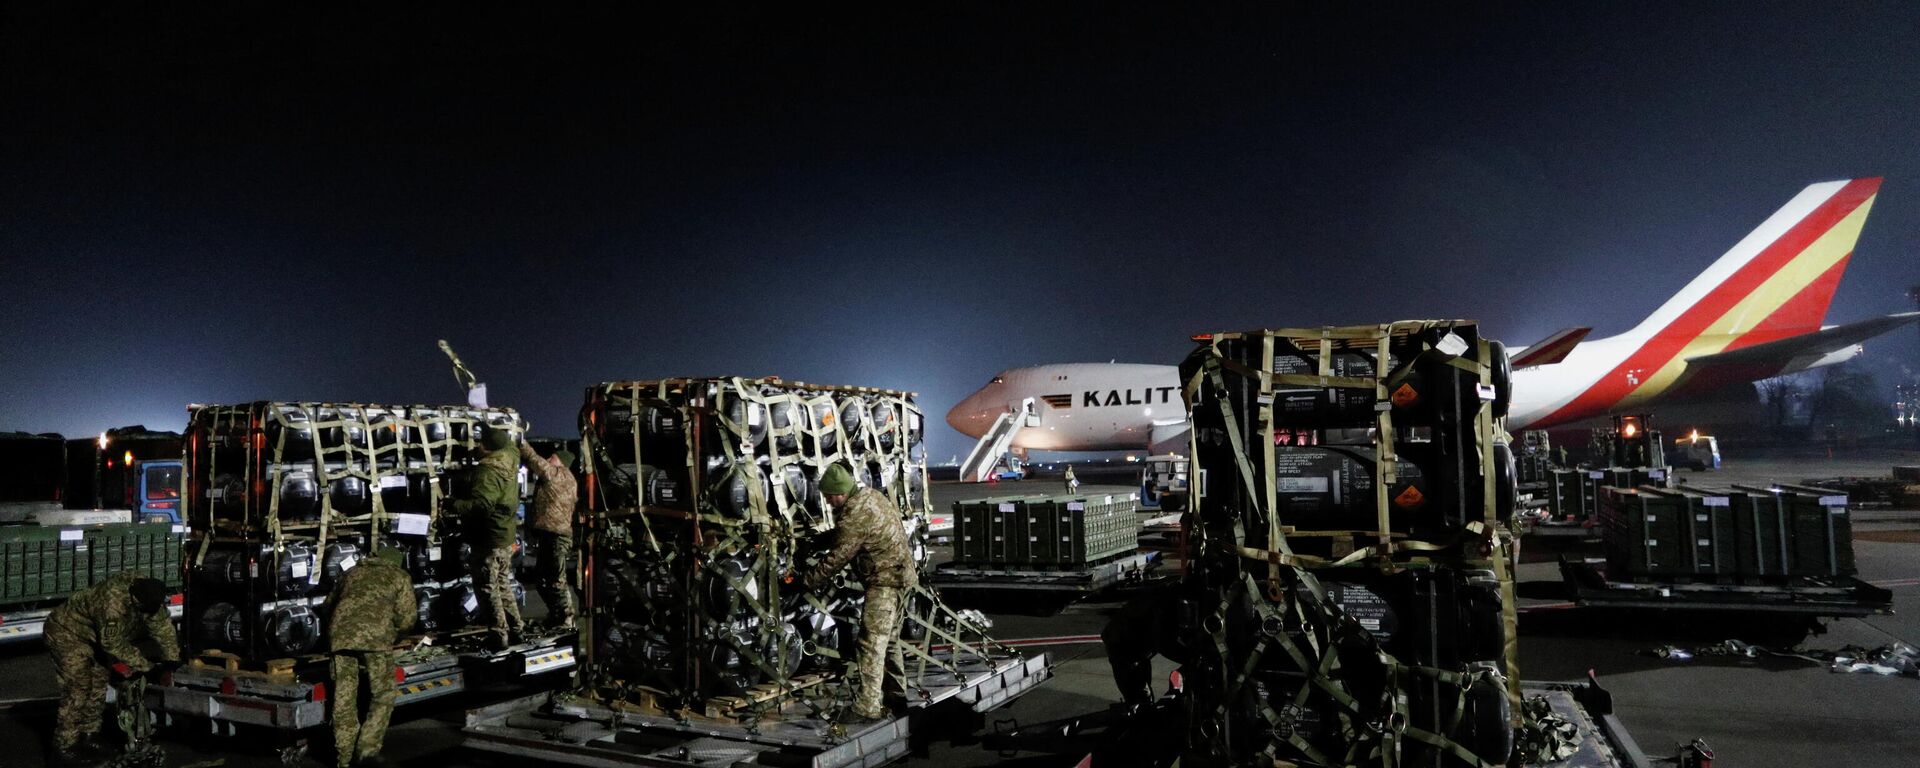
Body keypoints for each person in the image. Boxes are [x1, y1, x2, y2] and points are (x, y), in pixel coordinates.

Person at [802, 464, 918, 723]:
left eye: (830, 497)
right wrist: (824, 538)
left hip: (885, 582)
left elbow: (837, 558)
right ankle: (896, 695)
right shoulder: (870, 496)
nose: (828, 502)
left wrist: (807, 581)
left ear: (841, 493)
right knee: (889, 641)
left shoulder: (852, 514)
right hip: (902, 577)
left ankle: (867, 707)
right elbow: (854, 533)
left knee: (870, 644)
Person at [43, 572, 179, 766]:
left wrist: (171, 660)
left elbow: (162, 626)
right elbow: (112, 643)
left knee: (98, 684)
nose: (146, 614)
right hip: (68, 633)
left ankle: (89, 736)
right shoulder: (112, 601)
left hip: (93, 637)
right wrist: (146, 666)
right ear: (134, 599)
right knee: (79, 687)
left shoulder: (149, 594)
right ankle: (64, 748)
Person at [326, 547, 417, 768]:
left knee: (344, 699)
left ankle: (344, 759)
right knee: (384, 694)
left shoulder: (352, 572)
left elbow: (328, 604)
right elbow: (407, 619)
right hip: (375, 639)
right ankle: (367, 751)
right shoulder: (399, 576)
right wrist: (394, 635)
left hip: (341, 637)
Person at [447, 425, 523, 650]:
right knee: (504, 584)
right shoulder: (511, 457)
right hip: (505, 536)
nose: (477, 446)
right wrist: (485, 423)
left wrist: (454, 504)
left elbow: (481, 506)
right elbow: (509, 443)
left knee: (487, 588)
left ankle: (499, 635)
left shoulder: (487, 472)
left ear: (489, 448)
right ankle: (517, 628)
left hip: (488, 539)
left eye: (480, 443)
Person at [518, 439, 578, 631]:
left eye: (552, 457)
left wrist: (520, 441)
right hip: (550, 534)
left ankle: (567, 618)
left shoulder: (557, 475)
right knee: (543, 580)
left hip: (557, 536)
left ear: (561, 462)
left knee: (556, 579)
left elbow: (533, 459)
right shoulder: (566, 478)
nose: (548, 459)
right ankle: (557, 615)